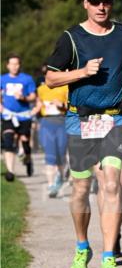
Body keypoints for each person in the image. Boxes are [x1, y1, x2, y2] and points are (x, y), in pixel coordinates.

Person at [45, 0, 122, 268]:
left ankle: (109, 258)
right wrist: (82, 72)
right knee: (80, 189)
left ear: (111, 5)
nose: (102, 7)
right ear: (85, 4)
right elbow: (50, 79)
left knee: (113, 185)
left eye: (106, 2)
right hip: (80, 120)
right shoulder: (71, 38)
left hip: (115, 119)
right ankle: (81, 247)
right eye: (96, 1)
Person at [1, 54, 37, 181]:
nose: (14, 66)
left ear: (20, 65)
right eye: (12, 64)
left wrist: (24, 98)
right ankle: (10, 171)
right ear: (7, 65)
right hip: (8, 115)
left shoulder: (27, 79)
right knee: (8, 139)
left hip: (24, 116)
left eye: (17, 64)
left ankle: (28, 159)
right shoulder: (2, 79)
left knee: (24, 140)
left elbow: (33, 96)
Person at [36, 67, 69, 196]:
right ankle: (51, 186)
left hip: (62, 121)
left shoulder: (66, 87)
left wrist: (62, 105)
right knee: (49, 154)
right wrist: (29, 113)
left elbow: (71, 106)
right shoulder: (41, 89)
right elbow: (39, 105)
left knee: (60, 153)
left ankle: (60, 176)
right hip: (46, 122)